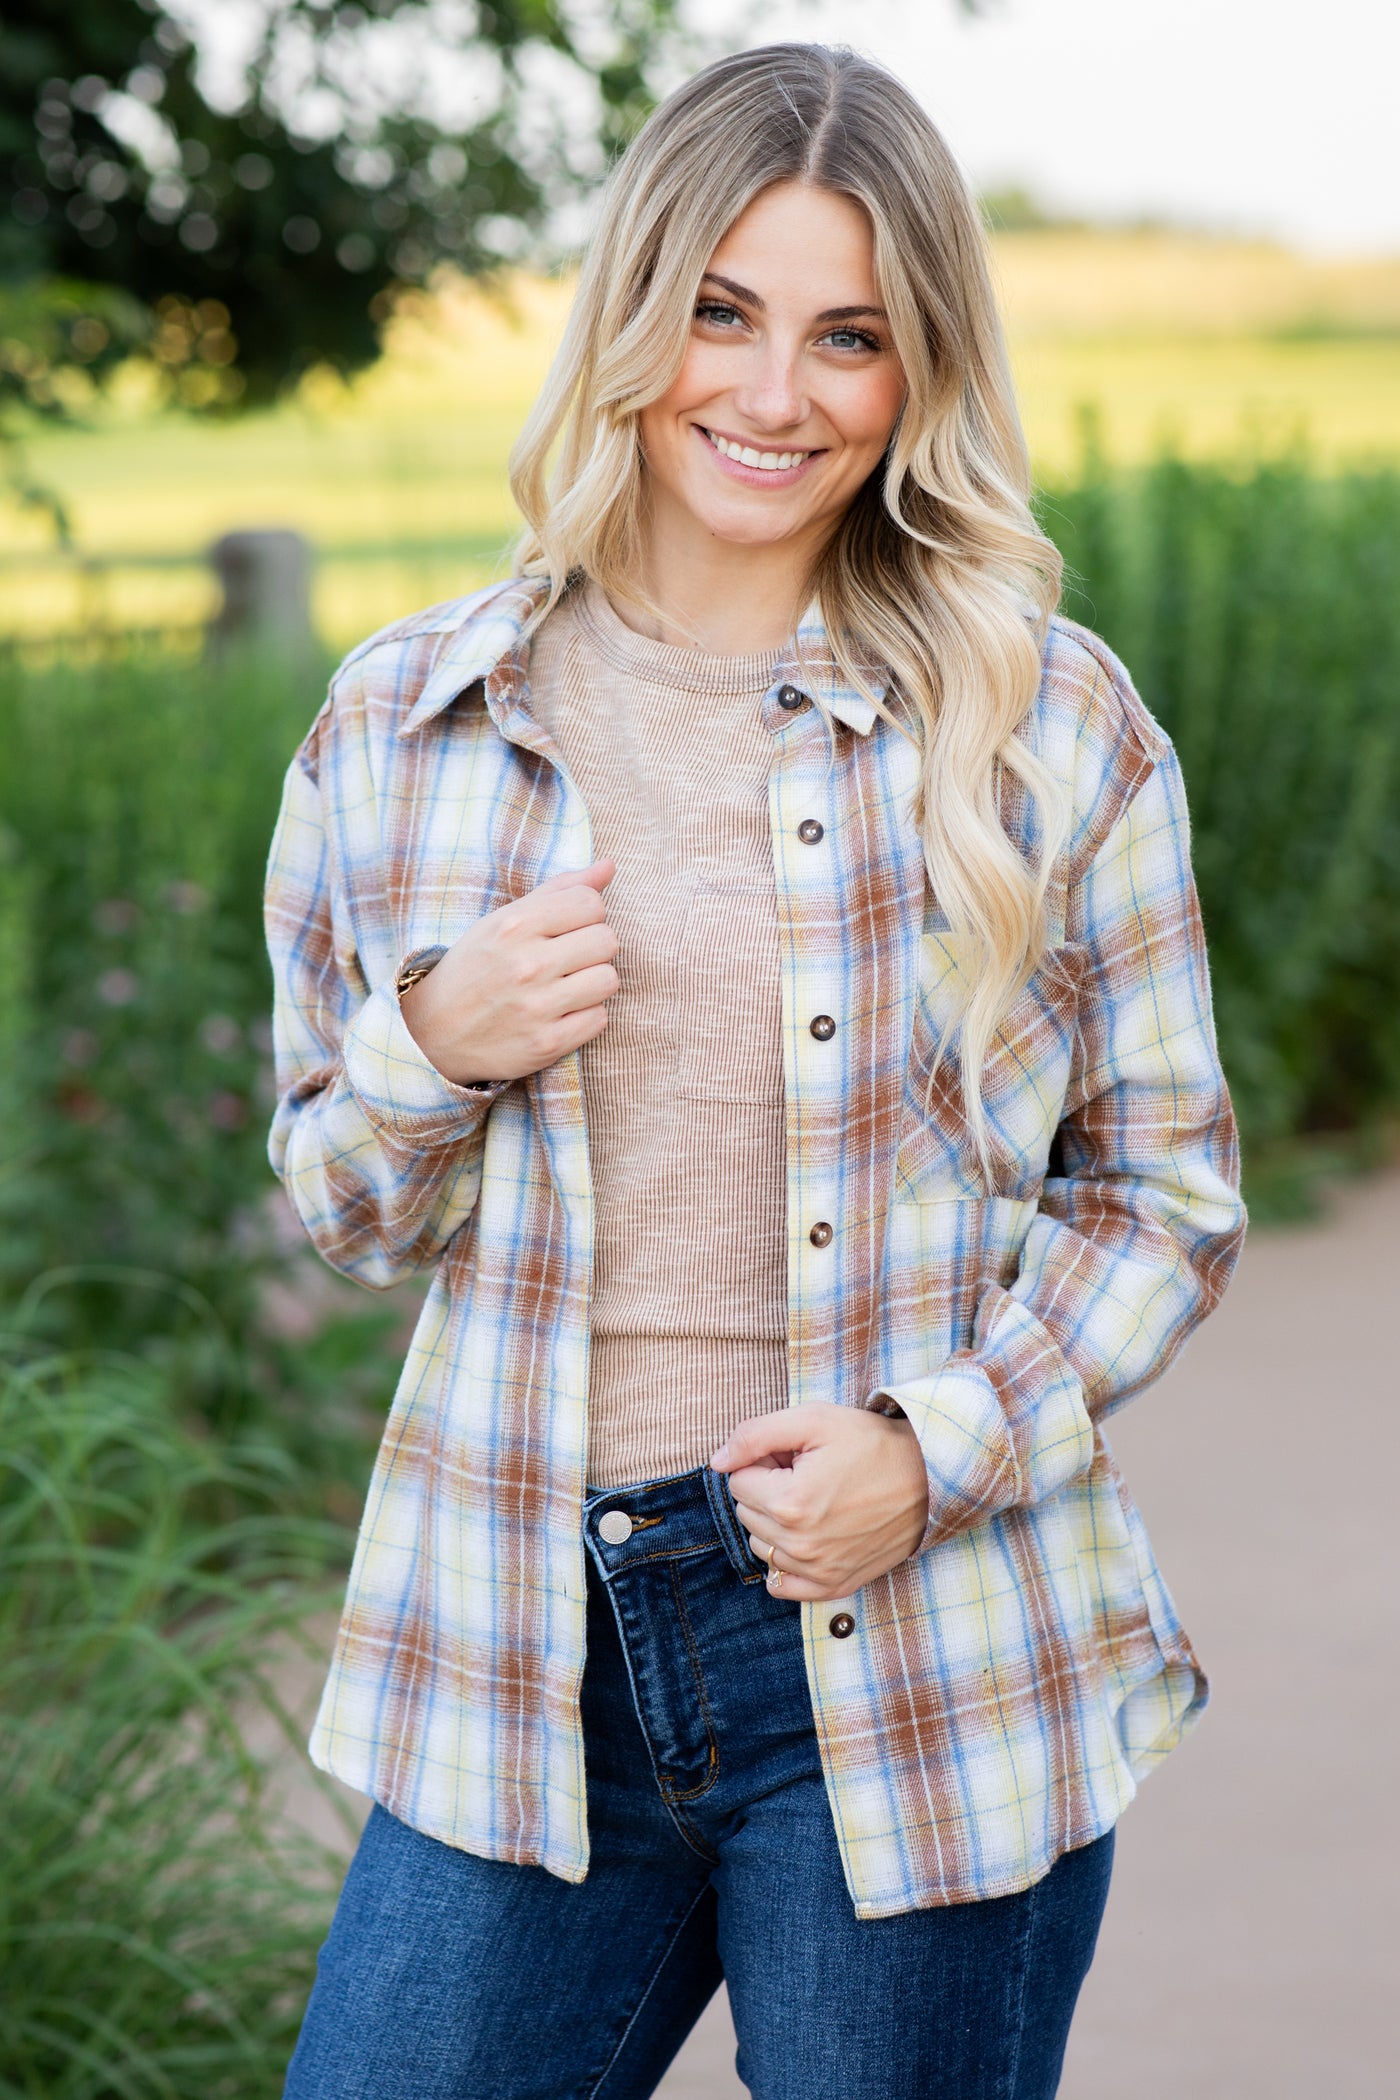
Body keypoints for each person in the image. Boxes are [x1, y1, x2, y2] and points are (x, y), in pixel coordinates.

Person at [266, 41, 1245, 2100]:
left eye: (847, 337)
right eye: (720, 310)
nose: (771, 392)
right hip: (520, 1647)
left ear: (919, 373)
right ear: (633, 314)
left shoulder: (1044, 726)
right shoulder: (408, 723)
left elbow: (1161, 1195)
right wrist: (431, 1046)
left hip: (928, 1650)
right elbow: (342, 1203)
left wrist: (937, 1441)